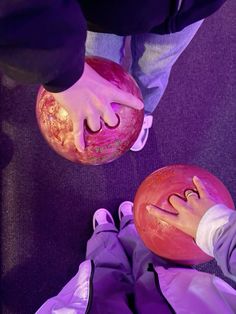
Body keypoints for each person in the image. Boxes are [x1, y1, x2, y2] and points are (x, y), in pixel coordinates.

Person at [0, 1, 227, 151]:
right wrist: (62, 69)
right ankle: (105, 121)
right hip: (102, 10)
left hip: (190, 10)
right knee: (98, 71)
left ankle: (139, 116)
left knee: (153, 72)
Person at [36, 176, 236, 313]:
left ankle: (105, 233)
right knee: (154, 268)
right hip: (187, 304)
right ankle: (133, 227)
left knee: (103, 279)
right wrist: (214, 227)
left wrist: (216, 228)